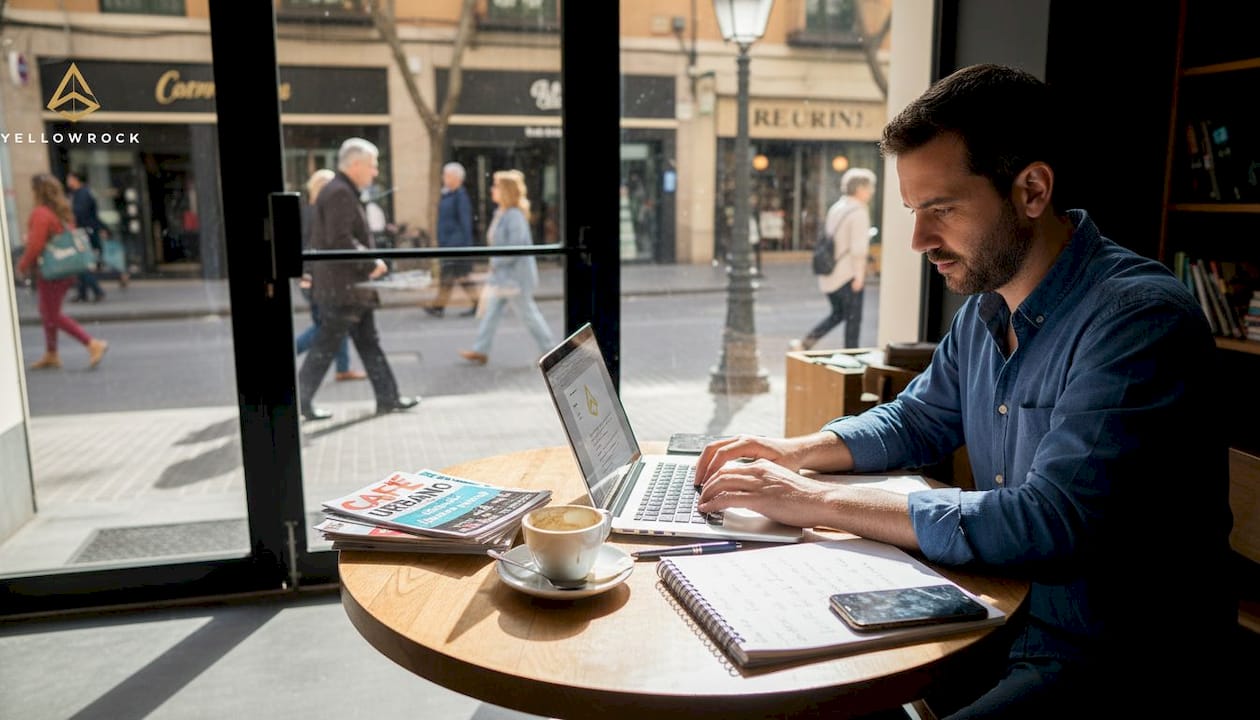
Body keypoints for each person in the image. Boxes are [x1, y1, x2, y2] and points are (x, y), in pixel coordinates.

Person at [693, 64, 1239, 718]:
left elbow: (1051, 520)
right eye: (913, 212)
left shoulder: (1137, 321)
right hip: (995, 619)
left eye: (941, 210)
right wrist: (794, 452)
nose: (920, 240)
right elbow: (916, 420)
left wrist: (811, 501)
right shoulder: (985, 310)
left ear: (1032, 190)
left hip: (1115, 662)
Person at [297, 138, 419, 420]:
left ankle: (388, 398)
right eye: (372, 165)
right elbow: (340, 240)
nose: (375, 172)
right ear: (355, 164)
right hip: (345, 289)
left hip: (349, 289)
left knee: (366, 342)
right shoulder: (340, 192)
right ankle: (300, 401)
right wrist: (371, 262)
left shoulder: (340, 190)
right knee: (327, 346)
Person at [458, 169, 554, 365]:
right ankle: (480, 350)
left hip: (515, 279)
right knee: (491, 313)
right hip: (503, 278)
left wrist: (495, 262)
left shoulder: (513, 216)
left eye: (496, 186)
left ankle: (550, 350)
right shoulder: (501, 213)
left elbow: (515, 247)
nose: (492, 190)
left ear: (506, 191)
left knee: (528, 315)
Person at [16, 174, 109, 370]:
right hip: (66, 268)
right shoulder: (60, 211)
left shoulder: (41, 213)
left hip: (52, 271)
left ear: (37, 192)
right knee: (49, 311)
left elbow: (36, 245)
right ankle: (51, 354)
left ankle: (92, 344)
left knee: (51, 314)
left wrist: (23, 264)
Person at [790, 167, 875, 350]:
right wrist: (860, 277)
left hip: (830, 273)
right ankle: (852, 357)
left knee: (838, 314)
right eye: (869, 188)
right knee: (853, 321)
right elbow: (858, 250)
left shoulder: (837, 207)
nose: (871, 192)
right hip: (848, 275)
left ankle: (806, 343)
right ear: (860, 189)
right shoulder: (859, 212)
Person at [294, 168, 364, 382]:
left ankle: (343, 368)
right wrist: (306, 273)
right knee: (326, 328)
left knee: (336, 325)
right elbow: (307, 246)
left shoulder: (318, 210)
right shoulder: (313, 213)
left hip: (320, 276)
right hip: (315, 278)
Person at [425, 161, 480, 318]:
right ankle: (441, 306)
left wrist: (464, 246)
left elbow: (465, 223)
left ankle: (439, 306)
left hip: (456, 245)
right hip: (449, 244)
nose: (444, 178)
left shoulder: (460, 197)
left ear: (456, 178)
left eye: (447, 175)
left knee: (453, 277)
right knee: (455, 277)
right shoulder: (448, 195)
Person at [65, 170, 106, 304]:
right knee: (81, 263)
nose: (68, 181)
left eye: (70, 178)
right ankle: (83, 293)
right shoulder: (78, 193)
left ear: (76, 179)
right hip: (84, 231)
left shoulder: (83, 193)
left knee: (83, 263)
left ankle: (96, 291)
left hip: (84, 232)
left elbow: (81, 212)